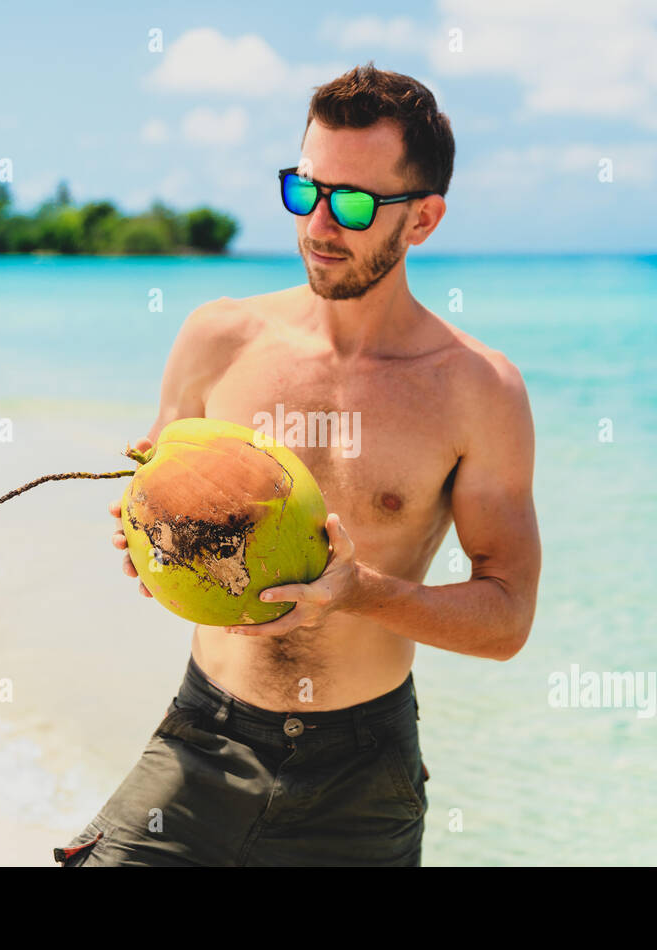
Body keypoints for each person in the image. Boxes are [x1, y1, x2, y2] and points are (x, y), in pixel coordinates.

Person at [56, 61, 541, 867]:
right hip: (204, 737)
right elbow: (156, 490)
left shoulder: (478, 390)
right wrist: (143, 539)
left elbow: (507, 618)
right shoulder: (219, 339)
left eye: (351, 203)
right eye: (304, 190)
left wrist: (361, 592)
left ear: (422, 219)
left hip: (364, 772)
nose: (319, 224)